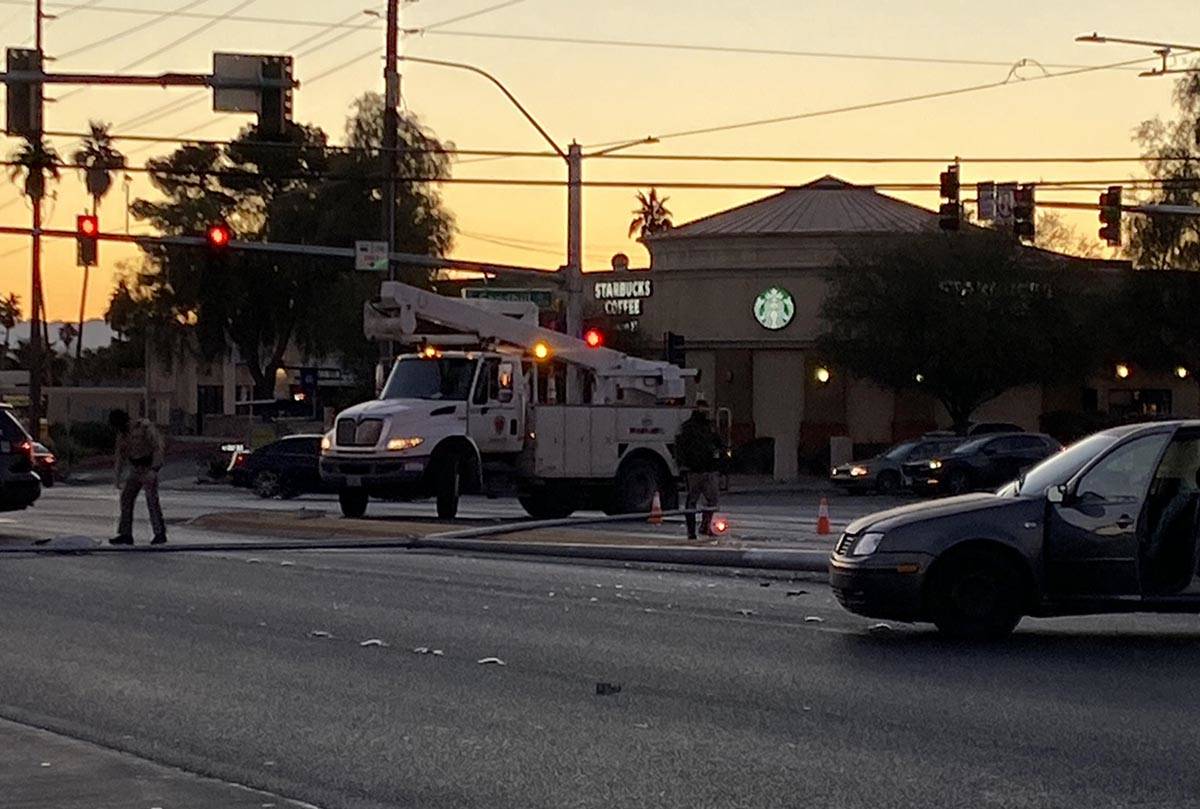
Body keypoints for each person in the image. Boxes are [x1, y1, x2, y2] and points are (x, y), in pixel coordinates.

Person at [109, 409, 167, 546]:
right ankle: (125, 534)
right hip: (135, 468)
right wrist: (117, 478)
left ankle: (159, 533)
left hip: (148, 467)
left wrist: (154, 469)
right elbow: (120, 456)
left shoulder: (143, 427)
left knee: (152, 501)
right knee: (126, 499)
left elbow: (158, 447)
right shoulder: (123, 434)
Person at [674, 398, 723, 540]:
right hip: (695, 469)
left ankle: (704, 526)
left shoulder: (709, 427)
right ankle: (692, 531)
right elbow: (681, 447)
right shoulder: (689, 427)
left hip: (707, 468)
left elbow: (718, 443)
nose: (705, 412)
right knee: (693, 501)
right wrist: (683, 465)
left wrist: (719, 457)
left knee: (711, 500)